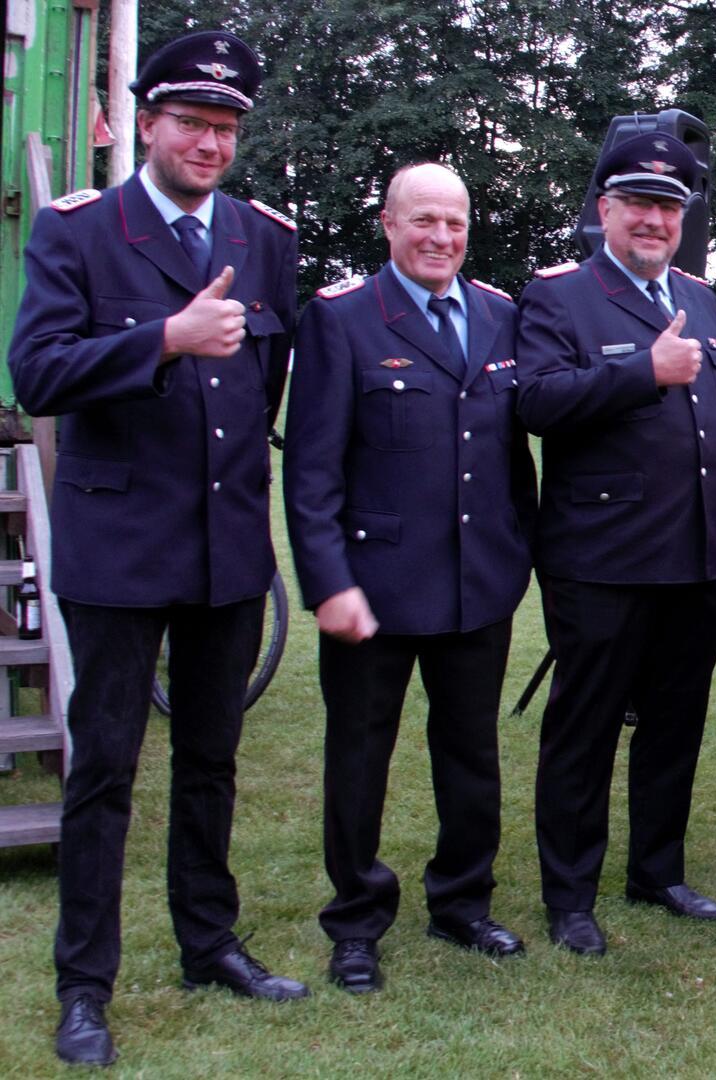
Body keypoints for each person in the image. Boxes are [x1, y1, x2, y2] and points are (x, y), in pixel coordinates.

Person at [7, 30, 306, 1067]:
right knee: (104, 772)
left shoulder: (266, 238)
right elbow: (37, 373)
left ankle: (208, 943)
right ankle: (84, 985)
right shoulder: (79, 231)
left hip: (227, 551)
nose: (209, 143)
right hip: (120, 550)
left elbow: (263, 387)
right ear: (148, 123)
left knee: (211, 764)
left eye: (225, 128)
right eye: (191, 122)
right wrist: (162, 342)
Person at [284, 162, 537, 992]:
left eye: (456, 223)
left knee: (471, 754)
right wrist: (329, 584)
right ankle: (355, 920)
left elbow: (510, 456)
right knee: (361, 757)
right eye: (423, 220)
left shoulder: (500, 316)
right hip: (375, 588)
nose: (441, 238)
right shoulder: (343, 319)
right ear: (387, 224)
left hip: (478, 583)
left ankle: (462, 901)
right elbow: (312, 472)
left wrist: (518, 551)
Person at [515, 131, 716, 954]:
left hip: (695, 556)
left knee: (675, 724)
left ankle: (656, 872)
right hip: (602, 558)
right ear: (606, 210)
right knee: (583, 728)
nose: (656, 219)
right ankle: (569, 895)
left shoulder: (702, 297)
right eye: (641, 204)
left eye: (670, 206)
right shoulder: (560, 295)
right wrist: (639, 374)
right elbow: (537, 403)